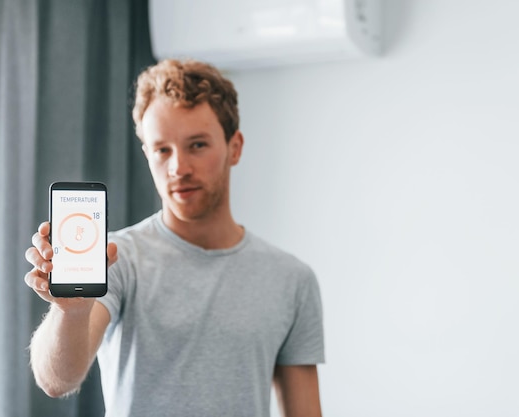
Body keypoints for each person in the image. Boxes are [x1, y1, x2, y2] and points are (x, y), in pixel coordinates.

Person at [25, 59, 324, 417]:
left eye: (197, 145)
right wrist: (68, 312)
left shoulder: (292, 280)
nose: (178, 167)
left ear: (235, 147)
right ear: (147, 154)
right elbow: (57, 380)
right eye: (162, 149)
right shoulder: (117, 260)